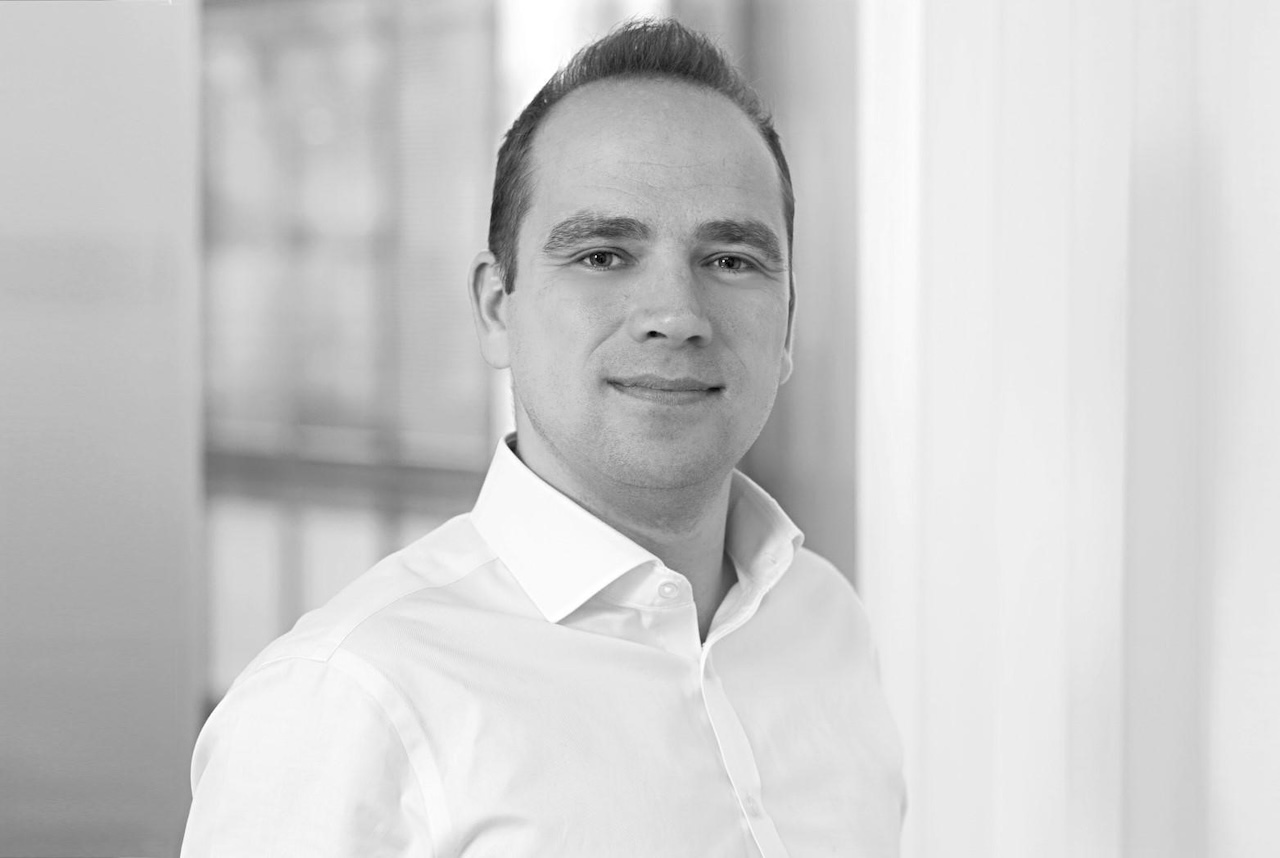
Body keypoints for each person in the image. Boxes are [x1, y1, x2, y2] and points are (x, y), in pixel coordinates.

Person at [182, 18, 904, 857]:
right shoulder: (347, 700)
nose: (676, 315)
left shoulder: (824, 622)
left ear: (788, 326)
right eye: (603, 255)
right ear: (498, 309)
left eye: (731, 260)